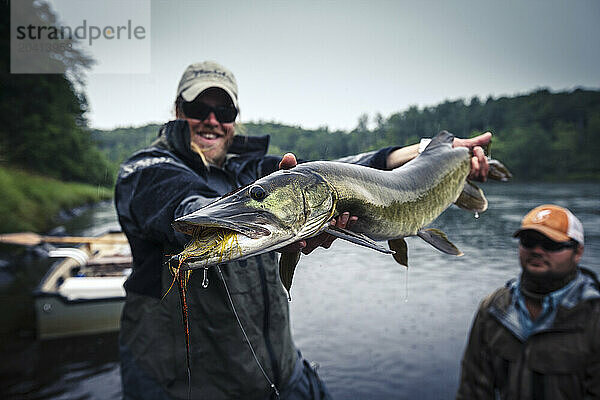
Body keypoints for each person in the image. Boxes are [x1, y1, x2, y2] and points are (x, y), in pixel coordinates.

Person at [115, 60, 491, 400]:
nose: (212, 120)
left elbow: (344, 171)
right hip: (181, 387)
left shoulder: (248, 170)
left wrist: (429, 152)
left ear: (234, 118)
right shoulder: (146, 170)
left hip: (279, 372)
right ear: (178, 111)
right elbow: (185, 208)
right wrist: (222, 218)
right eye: (199, 109)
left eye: (224, 110)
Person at [457, 204, 600, 399]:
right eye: (529, 241)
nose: (537, 251)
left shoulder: (594, 316)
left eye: (551, 244)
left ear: (578, 252)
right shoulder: (493, 308)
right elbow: (472, 390)